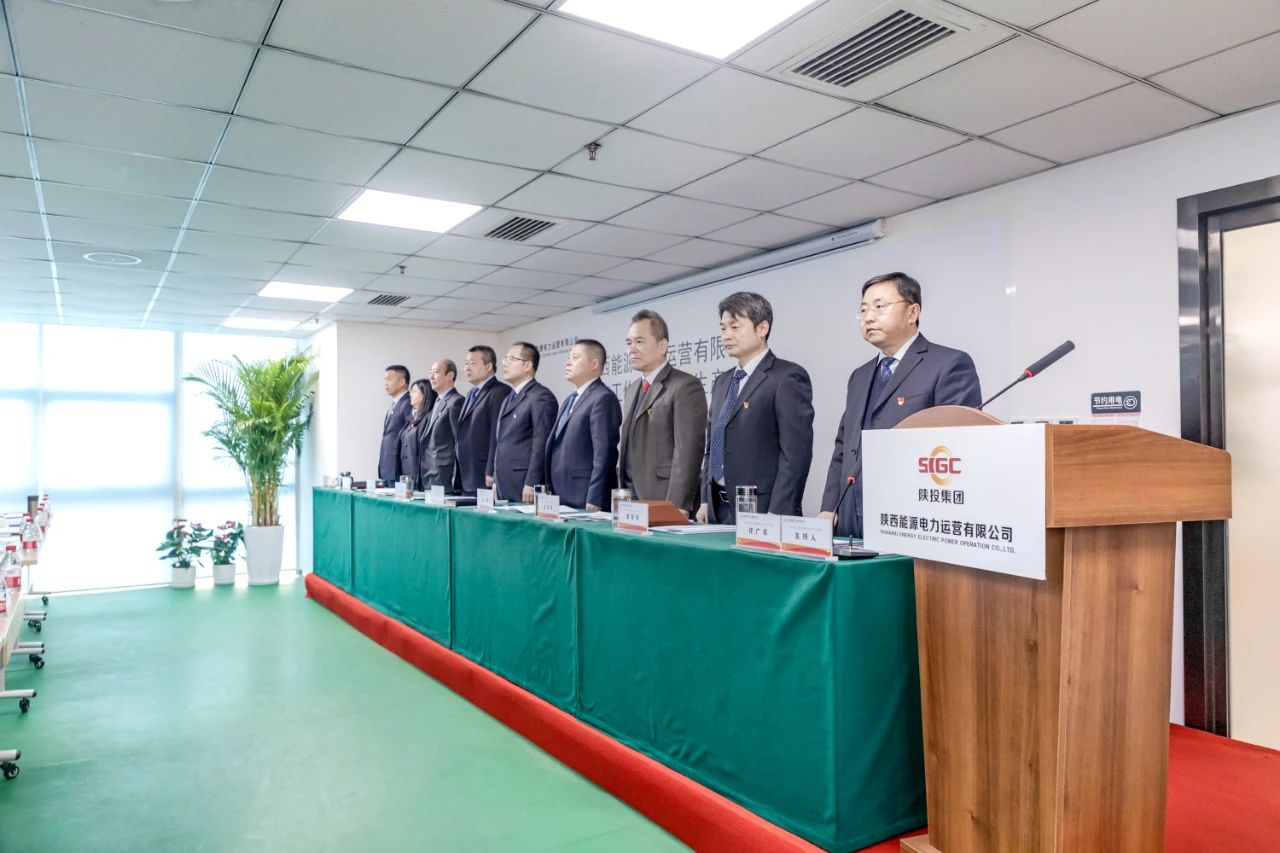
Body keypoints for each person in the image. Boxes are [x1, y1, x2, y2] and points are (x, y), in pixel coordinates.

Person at [819, 272, 982, 537]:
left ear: (912, 312)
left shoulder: (948, 365)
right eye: (863, 310)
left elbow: (959, 449)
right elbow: (843, 446)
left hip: (910, 518)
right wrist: (829, 507)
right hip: (851, 517)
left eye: (879, 307)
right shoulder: (860, 376)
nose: (868, 317)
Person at [697, 292, 813, 524]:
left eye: (735, 327)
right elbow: (713, 445)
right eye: (723, 328)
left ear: (762, 328)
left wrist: (778, 511)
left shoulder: (786, 377)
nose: (726, 335)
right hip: (718, 509)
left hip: (763, 511)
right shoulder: (722, 382)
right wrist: (705, 501)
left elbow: (795, 454)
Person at [617, 309, 707, 517]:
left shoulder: (684, 385)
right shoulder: (632, 389)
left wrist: (678, 504)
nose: (632, 349)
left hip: (663, 497)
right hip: (630, 498)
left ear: (662, 345)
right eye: (629, 343)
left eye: (639, 341)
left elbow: (688, 451)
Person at [545, 339, 622, 511]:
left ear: (594, 364)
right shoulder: (570, 399)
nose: (568, 362)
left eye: (575, 357)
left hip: (584, 496)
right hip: (561, 493)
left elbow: (604, 454)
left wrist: (595, 496)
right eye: (568, 357)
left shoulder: (602, 398)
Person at [486, 342, 558, 502]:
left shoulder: (540, 396)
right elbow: (501, 442)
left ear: (527, 365)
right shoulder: (509, 398)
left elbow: (541, 443)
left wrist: (532, 482)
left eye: (511, 359)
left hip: (524, 483)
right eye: (505, 359)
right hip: (504, 482)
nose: (505, 364)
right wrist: (496, 479)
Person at [454, 345, 509, 496]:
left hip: (484, 474)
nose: (467, 368)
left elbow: (497, 435)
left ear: (489, 366)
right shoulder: (471, 393)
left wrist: (491, 470)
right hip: (467, 473)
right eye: (466, 363)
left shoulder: (500, 392)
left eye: (472, 363)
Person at [420, 360, 464, 490]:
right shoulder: (437, 401)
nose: (431, 376)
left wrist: (455, 476)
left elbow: (459, 442)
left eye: (436, 372)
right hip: (429, 472)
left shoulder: (456, 402)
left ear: (450, 375)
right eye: (430, 372)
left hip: (444, 474)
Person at [397, 379, 435, 489]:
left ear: (425, 394)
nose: (410, 394)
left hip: (420, 476)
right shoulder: (412, 417)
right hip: (405, 475)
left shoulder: (429, 417)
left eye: (414, 391)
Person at [378, 364, 412, 483]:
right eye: (385, 380)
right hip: (388, 468)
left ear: (402, 381)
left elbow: (408, 437)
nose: (385, 383)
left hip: (398, 469)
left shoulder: (408, 403)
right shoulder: (395, 403)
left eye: (389, 379)